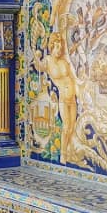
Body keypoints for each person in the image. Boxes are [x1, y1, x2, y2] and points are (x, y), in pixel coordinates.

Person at [35, 32, 80, 164]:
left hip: (72, 97)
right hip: (63, 99)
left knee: (72, 127)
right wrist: (37, 56)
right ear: (51, 47)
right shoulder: (48, 61)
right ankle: (63, 154)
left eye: (60, 48)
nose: (59, 51)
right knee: (66, 126)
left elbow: (72, 77)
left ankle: (69, 151)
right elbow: (39, 67)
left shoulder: (64, 61)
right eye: (57, 47)